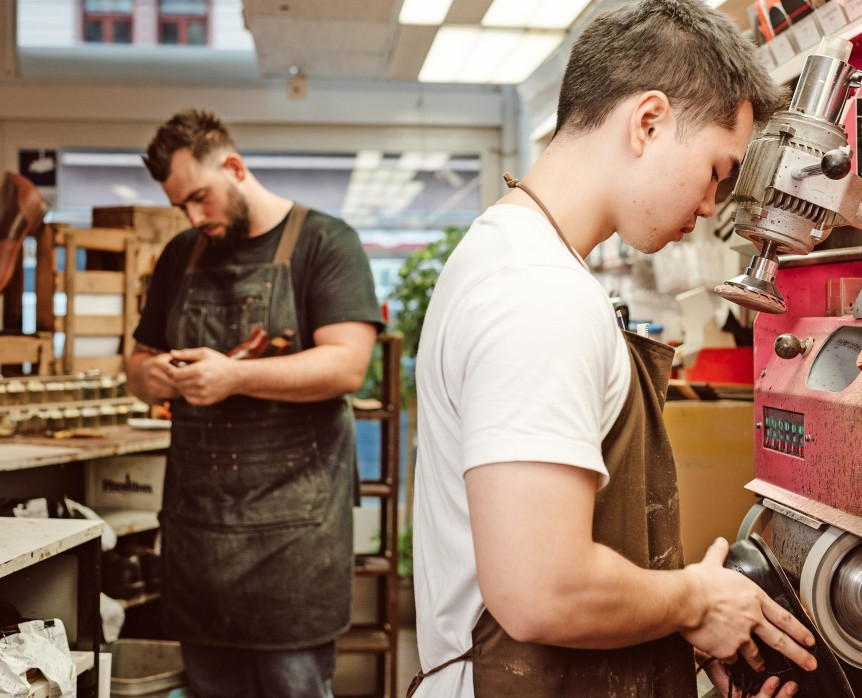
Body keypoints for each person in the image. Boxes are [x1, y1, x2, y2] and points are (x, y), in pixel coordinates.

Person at [411, 2, 818, 696]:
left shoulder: (513, 254)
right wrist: (696, 600)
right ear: (649, 122)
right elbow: (544, 589)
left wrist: (675, 625)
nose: (712, 206)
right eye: (718, 171)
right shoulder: (538, 294)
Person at [126, 109, 383, 698]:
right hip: (199, 531)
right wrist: (158, 376)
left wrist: (234, 379)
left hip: (294, 534)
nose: (193, 218)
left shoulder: (325, 242)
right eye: (181, 207)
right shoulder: (180, 255)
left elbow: (346, 365)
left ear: (235, 168)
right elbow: (135, 368)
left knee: (293, 687)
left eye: (199, 199)